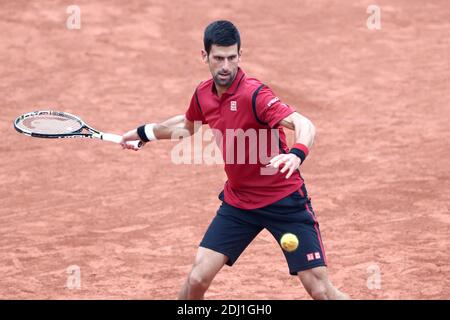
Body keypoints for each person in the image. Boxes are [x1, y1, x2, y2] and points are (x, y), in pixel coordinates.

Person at [121, 20, 349, 300]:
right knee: (197, 278)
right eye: (218, 58)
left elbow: (304, 123)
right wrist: (144, 133)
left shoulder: (255, 94)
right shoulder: (203, 93)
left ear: (240, 55)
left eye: (232, 57)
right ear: (204, 56)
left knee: (320, 290)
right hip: (239, 203)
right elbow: (185, 126)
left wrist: (296, 153)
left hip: (284, 201)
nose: (226, 66)